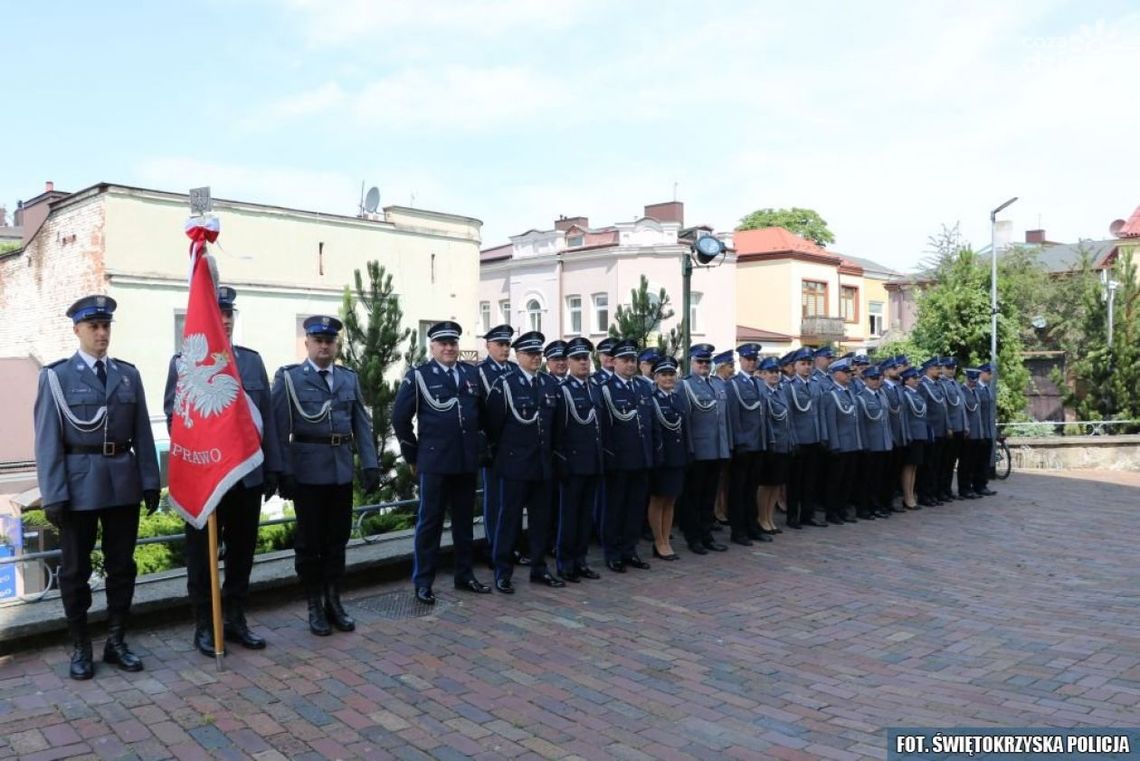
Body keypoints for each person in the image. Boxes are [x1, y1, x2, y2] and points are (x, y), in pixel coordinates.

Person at [33, 295, 160, 679]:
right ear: (78, 330)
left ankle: (117, 641)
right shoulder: (56, 377)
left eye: (106, 326)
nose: (102, 333)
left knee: (123, 567)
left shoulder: (128, 375)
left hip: (123, 483)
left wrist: (151, 480)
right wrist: (53, 493)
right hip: (78, 488)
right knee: (74, 571)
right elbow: (47, 440)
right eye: (94, 327)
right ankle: (81, 645)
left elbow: (142, 432)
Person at [163, 286, 281, 657]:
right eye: (219, 314)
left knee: (242, 554)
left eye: (229, 314)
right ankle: (205, 623)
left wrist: (273, 468)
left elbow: (269, 421)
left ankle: (235, 618)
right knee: (201, 557)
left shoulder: (251, 361)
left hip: (245, 478)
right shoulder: (184, 363)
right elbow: (175, 419)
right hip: (207, 478)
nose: (225, 320)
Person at [272, 316, 379, 635]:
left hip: (340, 471)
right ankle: (314, 605)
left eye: (329, 341)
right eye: (318, 340)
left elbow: (361, 423)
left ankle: (334, 600)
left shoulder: (348, 378)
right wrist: (283, 472)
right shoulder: (290, 378)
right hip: (307, 473)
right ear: (307, 343)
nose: (324, 346)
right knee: (309, 543)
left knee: (337, 540)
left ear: (336, 345)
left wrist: (370, 464)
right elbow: (279, 430)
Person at [393, 321, 491, 606]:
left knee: (464, 522)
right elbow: (400, 418)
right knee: (430, 523)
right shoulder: (419, 376)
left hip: (464, 461)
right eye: (443, 343)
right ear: (432, 346)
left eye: (453, 343)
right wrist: (413, 455)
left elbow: (482, 415)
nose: (449, 348)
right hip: (435, 461)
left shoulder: (470, 374)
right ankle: (423, 582)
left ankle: (464, 574)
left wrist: (481, 445)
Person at [483, 330, 564, 592]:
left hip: (542, 464)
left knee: (541, 520)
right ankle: (502, 571)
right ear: (518, 356)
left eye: (538, 353)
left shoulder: (550, 384)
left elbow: (557, 428)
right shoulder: (505, 385)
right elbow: (493, 427)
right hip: (515, 465)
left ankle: (539, 568)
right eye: (530, 353)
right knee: (509, 520)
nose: (535, 358)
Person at [598, 339, 654, 572]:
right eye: (625, 360)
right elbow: (604, 428)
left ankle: (630, 550)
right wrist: (609, 456)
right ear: (614, 362)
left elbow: (648, 424)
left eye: (633, 360)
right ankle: (612, 553)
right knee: (615, 509)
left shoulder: (642, 387)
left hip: (640, 458)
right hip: (618, 460)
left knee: (635, 508)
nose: (630, 365)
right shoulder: (605, 388)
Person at [552, 337, 604, 581]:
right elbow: (558, 431)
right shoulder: (562, 391)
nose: (584, 363)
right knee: (569, 516)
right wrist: (561, 461)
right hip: (572, 463)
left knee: (585, 516)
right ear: (569, 362)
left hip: (593, 461)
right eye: (578, 359)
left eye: (586, 358)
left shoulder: (594, 388)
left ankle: (581, 560)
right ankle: (565, 563)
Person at [678, 344, 731, 555]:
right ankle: (694, 537)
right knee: (694, 496)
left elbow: (722, 421)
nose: (704, 365)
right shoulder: (685, 386)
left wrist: (726, 448)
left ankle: (707, 534)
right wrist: (689, 449)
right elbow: (686, 422)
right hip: (698, 451)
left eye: (707, 362)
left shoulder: (718, 384)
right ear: (691, 363)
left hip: (716, 450)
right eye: (700, 361)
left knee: (709, 496)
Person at [476, 325, 518, 566]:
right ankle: (494, 547)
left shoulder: (514, 370)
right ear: (488, 346)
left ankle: (509, 546)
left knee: (512, 501)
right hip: (494, 447)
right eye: (500, 344)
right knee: (495, 500)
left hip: (516, 447)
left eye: (507, 345)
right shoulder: (479, 373)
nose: (504, 349)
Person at [724, 344, 769, 545]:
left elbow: (763, 415)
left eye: (754, 359)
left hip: (758, 444)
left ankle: (752, 526)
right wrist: (738, 442)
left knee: (752, 489)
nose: (752, 362)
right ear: (740, 361)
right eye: (748, 359)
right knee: (738, 490)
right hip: (743, 445)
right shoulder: (733, 384)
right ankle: (738, 530)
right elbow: (733, 416)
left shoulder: (760, 383)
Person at [648, 356, 686, 561]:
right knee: (658, 499)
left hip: (677, 456)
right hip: (661, 457)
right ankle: (658, 540)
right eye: (664, 374)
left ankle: (666, 540)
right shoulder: (652, 398)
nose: (668, 378)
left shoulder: (677, 398)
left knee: (671, 499)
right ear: (655, 377)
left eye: (671, 374)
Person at [786, 348, 827, 530]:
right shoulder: (789, 386)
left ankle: (807, 515)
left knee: (811, 480)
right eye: (802, 364)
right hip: (799, 440)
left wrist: (823, 435)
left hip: (814, 438)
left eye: (809, 363)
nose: (807, 367)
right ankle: (792, 516)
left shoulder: (816, 385)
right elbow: (789, 416)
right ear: (794, 366)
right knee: (795, 481)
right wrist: (793, 439)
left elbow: (820, 412)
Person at [821, 359, 863, 524]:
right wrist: (834, 444)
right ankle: (832, 511)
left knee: (847, 480)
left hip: (851, 443)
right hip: (839, 444)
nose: (849, 376)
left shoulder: (849, 392)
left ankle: (842, 509)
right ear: (836, 374)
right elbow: (831, 422)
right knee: (835, 481)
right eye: (846, 373)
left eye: (850, 373)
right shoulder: (831, 394)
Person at [757, 357, 794, 534]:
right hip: (771, 444)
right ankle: (762, 517)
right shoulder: (762, 393)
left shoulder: (781, 392)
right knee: (766, 483)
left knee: (776, 483)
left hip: (783, 444)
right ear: (762, 374)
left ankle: (770, 517)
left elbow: (788, 419)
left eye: (776, 372)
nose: (774, 375)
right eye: (770, 372)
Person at [855, 365, 893, 519]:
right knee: (866, 479)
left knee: (880, 477)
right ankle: (864, 508)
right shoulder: (861, 397)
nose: (877, 382)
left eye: (878, 378)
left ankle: (876, 505)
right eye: (873, 379)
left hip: (883, 443)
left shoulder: (882, 396)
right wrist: (864, 444)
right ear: (865, 380)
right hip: (870, 444)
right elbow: (861, 424)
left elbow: (886, 421)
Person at [917, 357, 949, 506]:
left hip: (940, 430)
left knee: (937, 465)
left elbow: (943, 408)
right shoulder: (923, 386)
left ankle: (934, 493)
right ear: (929, 369)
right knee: (928, 466)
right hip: (931, 431)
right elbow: (922, 410)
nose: (939, 371)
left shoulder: (937, 385)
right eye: (936, 368)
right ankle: (925, 495)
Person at [899, 367, 928, 510]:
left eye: (917, 378)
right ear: (906, 380)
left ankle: (911, 494)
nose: (917, 380)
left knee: (914, 467)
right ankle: (907, 497)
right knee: (908, 466)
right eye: (913, 378)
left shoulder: (917, 394)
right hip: (911, 435)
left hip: (920, 434)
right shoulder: (905, 395)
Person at [940, 358, 967, 501]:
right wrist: (949, 426)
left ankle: (948, 489)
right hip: (950, 428)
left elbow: (961, 407)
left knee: (952, 462)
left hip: (960, 428)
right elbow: (945, 408)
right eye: (948, 367)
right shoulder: (942, 385)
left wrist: (965, 425)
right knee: (945, 462)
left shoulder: (956, 384)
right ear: (943, 368)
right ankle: (943, 490)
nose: (951, 370)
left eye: (953, 367)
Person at [958, 368, 985, 500]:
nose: (973, 383)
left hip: (977, 432)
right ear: (967, 379)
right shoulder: (962, 391)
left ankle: (970, 487)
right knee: (965, 463)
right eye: (971, 380)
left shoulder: (975, 392)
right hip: (968, 433)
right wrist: (966, 427)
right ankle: (964, 488)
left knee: (973, 462)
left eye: (974, 381)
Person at [974, 363, 998, 496]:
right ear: (982, 373)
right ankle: (977, 485)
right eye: (988, 373)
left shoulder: (987, 389)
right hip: (980, 431)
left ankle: (983, 484)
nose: (990, 376)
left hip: (988, 431)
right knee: (977, 460)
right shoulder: (976, 388)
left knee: (985, 460)